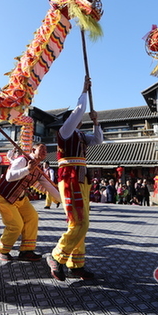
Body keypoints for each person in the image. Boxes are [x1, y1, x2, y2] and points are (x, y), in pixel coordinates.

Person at [47, 76, 103, 281]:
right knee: (80, 222)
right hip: (69, 178)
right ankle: (57, 256)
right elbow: (79, 109)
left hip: (81, 180)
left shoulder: (79, 134)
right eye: (73, 116)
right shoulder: (64, 132)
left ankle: (76, 263)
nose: (77, 117)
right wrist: (84, 90)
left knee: (79, 223)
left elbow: (98, 140)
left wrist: (96, 122)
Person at [0, 143, 61, 261]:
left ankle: (26, 250)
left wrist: (66, 202)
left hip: (20, 198)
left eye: (46, 150)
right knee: (16, 225)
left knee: (32, 217)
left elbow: (49, 187)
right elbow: (9, 176)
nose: (45, 151)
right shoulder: (22, 160)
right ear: (33, 150)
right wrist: (27, 169)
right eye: (42, 149)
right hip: (4, 197)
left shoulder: (39, 169)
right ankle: (1, 250)